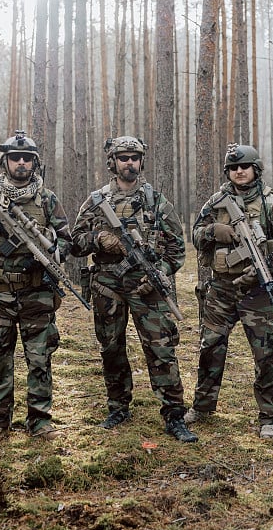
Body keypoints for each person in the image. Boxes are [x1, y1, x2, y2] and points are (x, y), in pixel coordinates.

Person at [71, 135, 198, 443]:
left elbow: (177, 248)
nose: (129, 162)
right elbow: (74, 241)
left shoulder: (157, 201)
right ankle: (118, 407)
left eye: (135, 157)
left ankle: (174, 414)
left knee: (161, 350)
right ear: (112, 162)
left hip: (147, 288)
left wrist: (160, 274)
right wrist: (99, 238)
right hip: (107, 287)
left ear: (142, 161)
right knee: (111, 348)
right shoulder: (97, 200)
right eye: (123, 157)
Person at [0, 131, 72, 448]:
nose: (21, 163)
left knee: (40, 358)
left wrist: (47, 257)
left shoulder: (47, 199)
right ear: (5, 161)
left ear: (34, 163)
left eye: (27, 158)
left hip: (36, 292)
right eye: (15, 157)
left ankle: (40, 420)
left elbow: (66, 240)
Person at [185, 143, 273, 439]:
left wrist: (267, 263)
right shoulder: (216, 202)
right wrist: (214, 231)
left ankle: (269, 415)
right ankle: (202, 407)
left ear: (255, 169)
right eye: (233, 168)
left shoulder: (272, 205)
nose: (239, 171)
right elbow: (195, 234)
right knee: (210, 347)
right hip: (221, 289)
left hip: (258, 292)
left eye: (244, 167)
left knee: (266, 354)